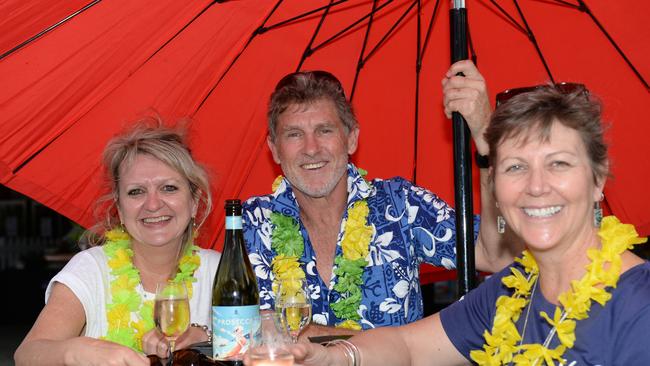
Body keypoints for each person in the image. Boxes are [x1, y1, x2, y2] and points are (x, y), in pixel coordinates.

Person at [290, 83, 650, 365]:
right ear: (494, 186)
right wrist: (335, 356)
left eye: (558, 163)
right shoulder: (510, 291)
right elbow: (408, 347)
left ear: (598, 180)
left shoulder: (639, 305)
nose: (536, 186)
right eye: (515, 167)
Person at [242, 60, 517, 337]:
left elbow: (495, 255)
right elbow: (232, 332)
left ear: (351, 139)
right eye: (294, 134)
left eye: (325, 130)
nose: (311, 149)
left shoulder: (400, 205)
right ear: (274, 149)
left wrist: (485, 136)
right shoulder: (247, 225)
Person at [15, 120, 221, 365]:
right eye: (136, 191)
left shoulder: (221, 270)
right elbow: (27, 355)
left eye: (168, 188)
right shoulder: (91, 269)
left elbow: (262, 341)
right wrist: (79, 350)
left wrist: (207, 337)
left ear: (194, 201)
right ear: (120, 209)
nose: (153, 204)